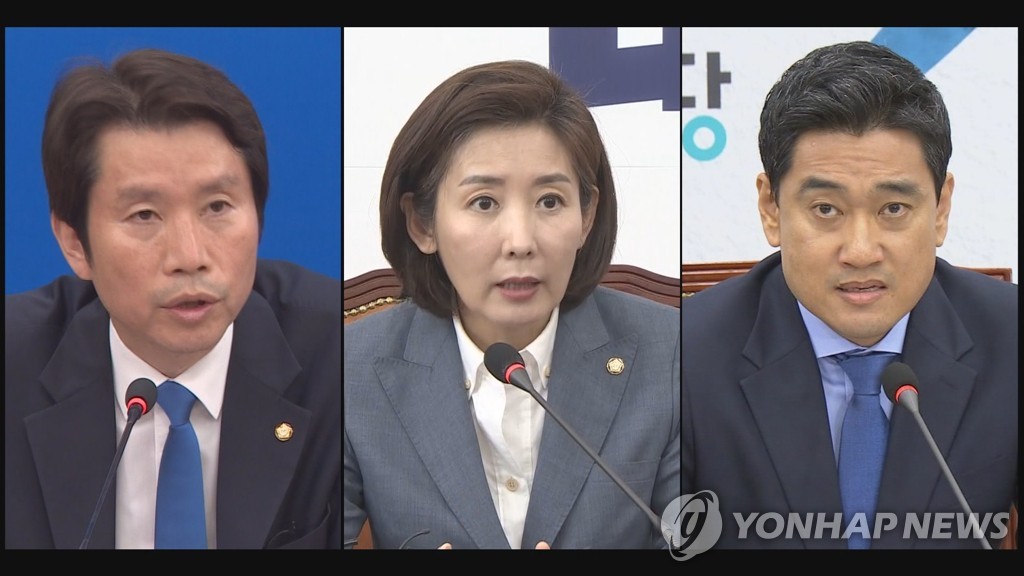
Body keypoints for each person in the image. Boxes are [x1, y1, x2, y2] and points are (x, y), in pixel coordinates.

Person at [681, 40, 1018, 549]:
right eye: (826, 210)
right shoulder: (686, 355)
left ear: (941, 209)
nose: (861, 252)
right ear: (771, 209)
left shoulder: (1010, 339)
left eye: (893, 209)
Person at [4, 48, 341, 549]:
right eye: (144, 215)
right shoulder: (14, 365)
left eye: (218, 206)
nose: (190, 256)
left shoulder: (338, 355)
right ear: (74, 242)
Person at [343, 60, 680, 549]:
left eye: (550, 201)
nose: (521, 241)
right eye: (484, 202)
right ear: (422, 224)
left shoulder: (672, 355)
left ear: (587, 217)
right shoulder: (350, 372)